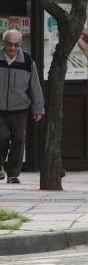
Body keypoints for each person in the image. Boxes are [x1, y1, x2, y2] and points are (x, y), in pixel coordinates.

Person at [0, 29, 44, 184]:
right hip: (0, 110)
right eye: (9, 44)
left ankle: (13, 174)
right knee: (1, 138)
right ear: (3, 43)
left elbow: (35, 87)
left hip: (20, 109)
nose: (12, 48)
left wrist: (38, 109)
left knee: (18, 140)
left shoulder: (27, 61)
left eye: (16, 45)